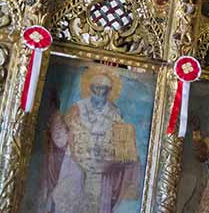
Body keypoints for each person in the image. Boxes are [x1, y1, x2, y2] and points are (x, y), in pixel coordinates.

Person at [42, 67, 140, 213]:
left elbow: (120, 139)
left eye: (104, 89)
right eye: (96, 88)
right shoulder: (78, 108)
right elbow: (64, 136)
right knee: (69, 197)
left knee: (96, 203)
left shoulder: (115, 112)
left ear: (110, 90)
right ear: (90, 88)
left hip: (101, 164)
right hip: (74, 161)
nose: (100, 92)